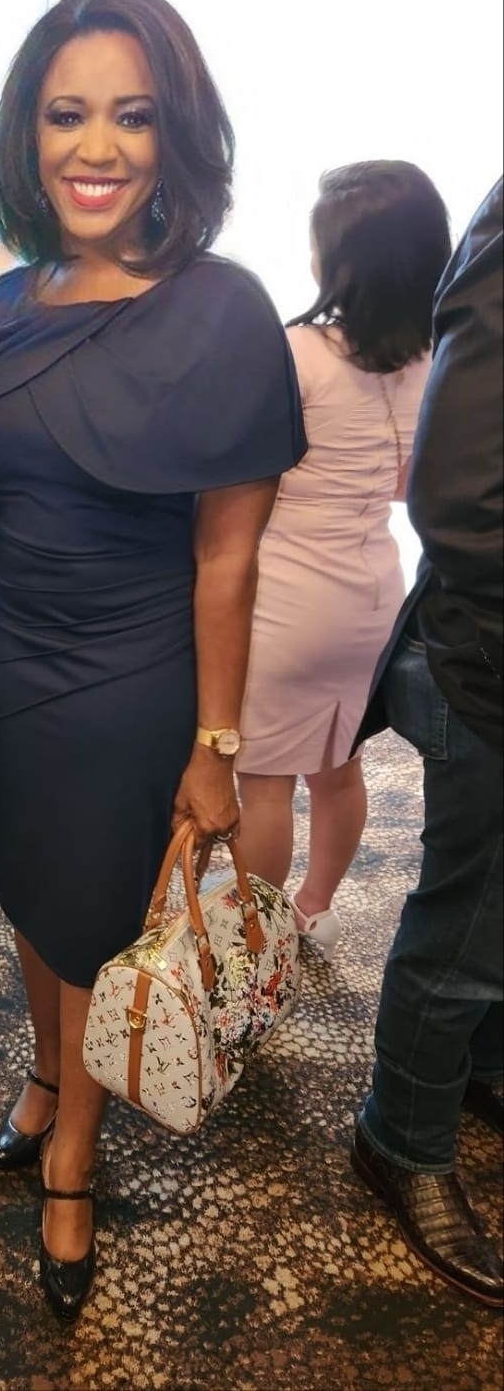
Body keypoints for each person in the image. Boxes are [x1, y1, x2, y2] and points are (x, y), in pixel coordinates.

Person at [0, 0, 305, 1320]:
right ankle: (50, 1072)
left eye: (131, 116)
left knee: (100, 911)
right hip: (7, 658)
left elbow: (228, 558)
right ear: (26, 136)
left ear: (175, 136)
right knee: (31, 889)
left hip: (136, 669)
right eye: (66, 115)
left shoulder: (220, 310)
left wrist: (217, 746)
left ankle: (75, 1162)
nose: (95, 146)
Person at [351, 176, 503, 1309]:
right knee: (465, 924)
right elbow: (457, 496)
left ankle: (480, 1067)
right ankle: (399, 1136)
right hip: (489, 659)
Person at [236, 162, 452, 958]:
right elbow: (407, 485)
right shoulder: (438, 357)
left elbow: (241, 479)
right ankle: (313, 909)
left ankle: (254, 949)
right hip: (375, 598)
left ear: (338, 258)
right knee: (337, 769)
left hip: (287, 597)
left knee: (262, 785)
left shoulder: (294, 352)